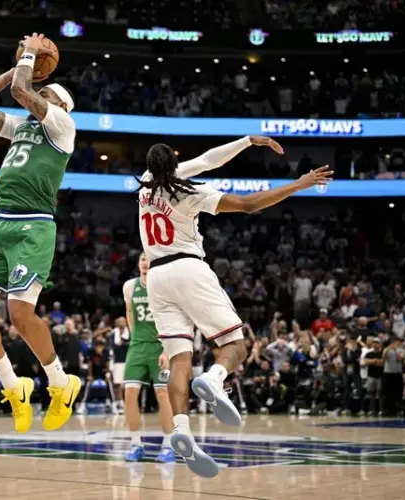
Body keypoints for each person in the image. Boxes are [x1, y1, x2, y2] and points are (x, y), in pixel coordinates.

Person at [136, 137, 332, 478]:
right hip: (187, 267)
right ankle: (215, 378)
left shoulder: (146, 183)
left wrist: (246, 142)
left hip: (156, 277)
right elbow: (247, 204)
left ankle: (180, 430)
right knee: (237, 344)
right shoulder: (189, 192)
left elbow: (208, 159)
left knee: (180, 359)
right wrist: (298, 185)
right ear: (175, 161)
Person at [0, 32, 81, 433]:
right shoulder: (21, 126)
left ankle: (61, 384)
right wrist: (16, 69)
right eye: (39, 91)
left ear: (61, 105)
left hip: (34, 225)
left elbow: (20, 92)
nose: (40, 95)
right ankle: (15, 387)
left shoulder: (62, 125)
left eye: (47, 94)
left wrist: (28, 57)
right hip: (0, 223)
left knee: (18, 313)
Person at [122, 252, 175, 463]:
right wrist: (134, 334)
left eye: (149, 260)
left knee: (162, 394)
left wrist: (167, 350)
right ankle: (136, 444)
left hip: (159, 347)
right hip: (137, 346)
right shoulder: (129, 286)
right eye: (143, 259)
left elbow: (172, 319)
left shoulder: (164, 287)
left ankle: (168, 446)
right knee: (129, 394)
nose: (146, 263)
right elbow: (129, 311)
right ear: (138, 263)